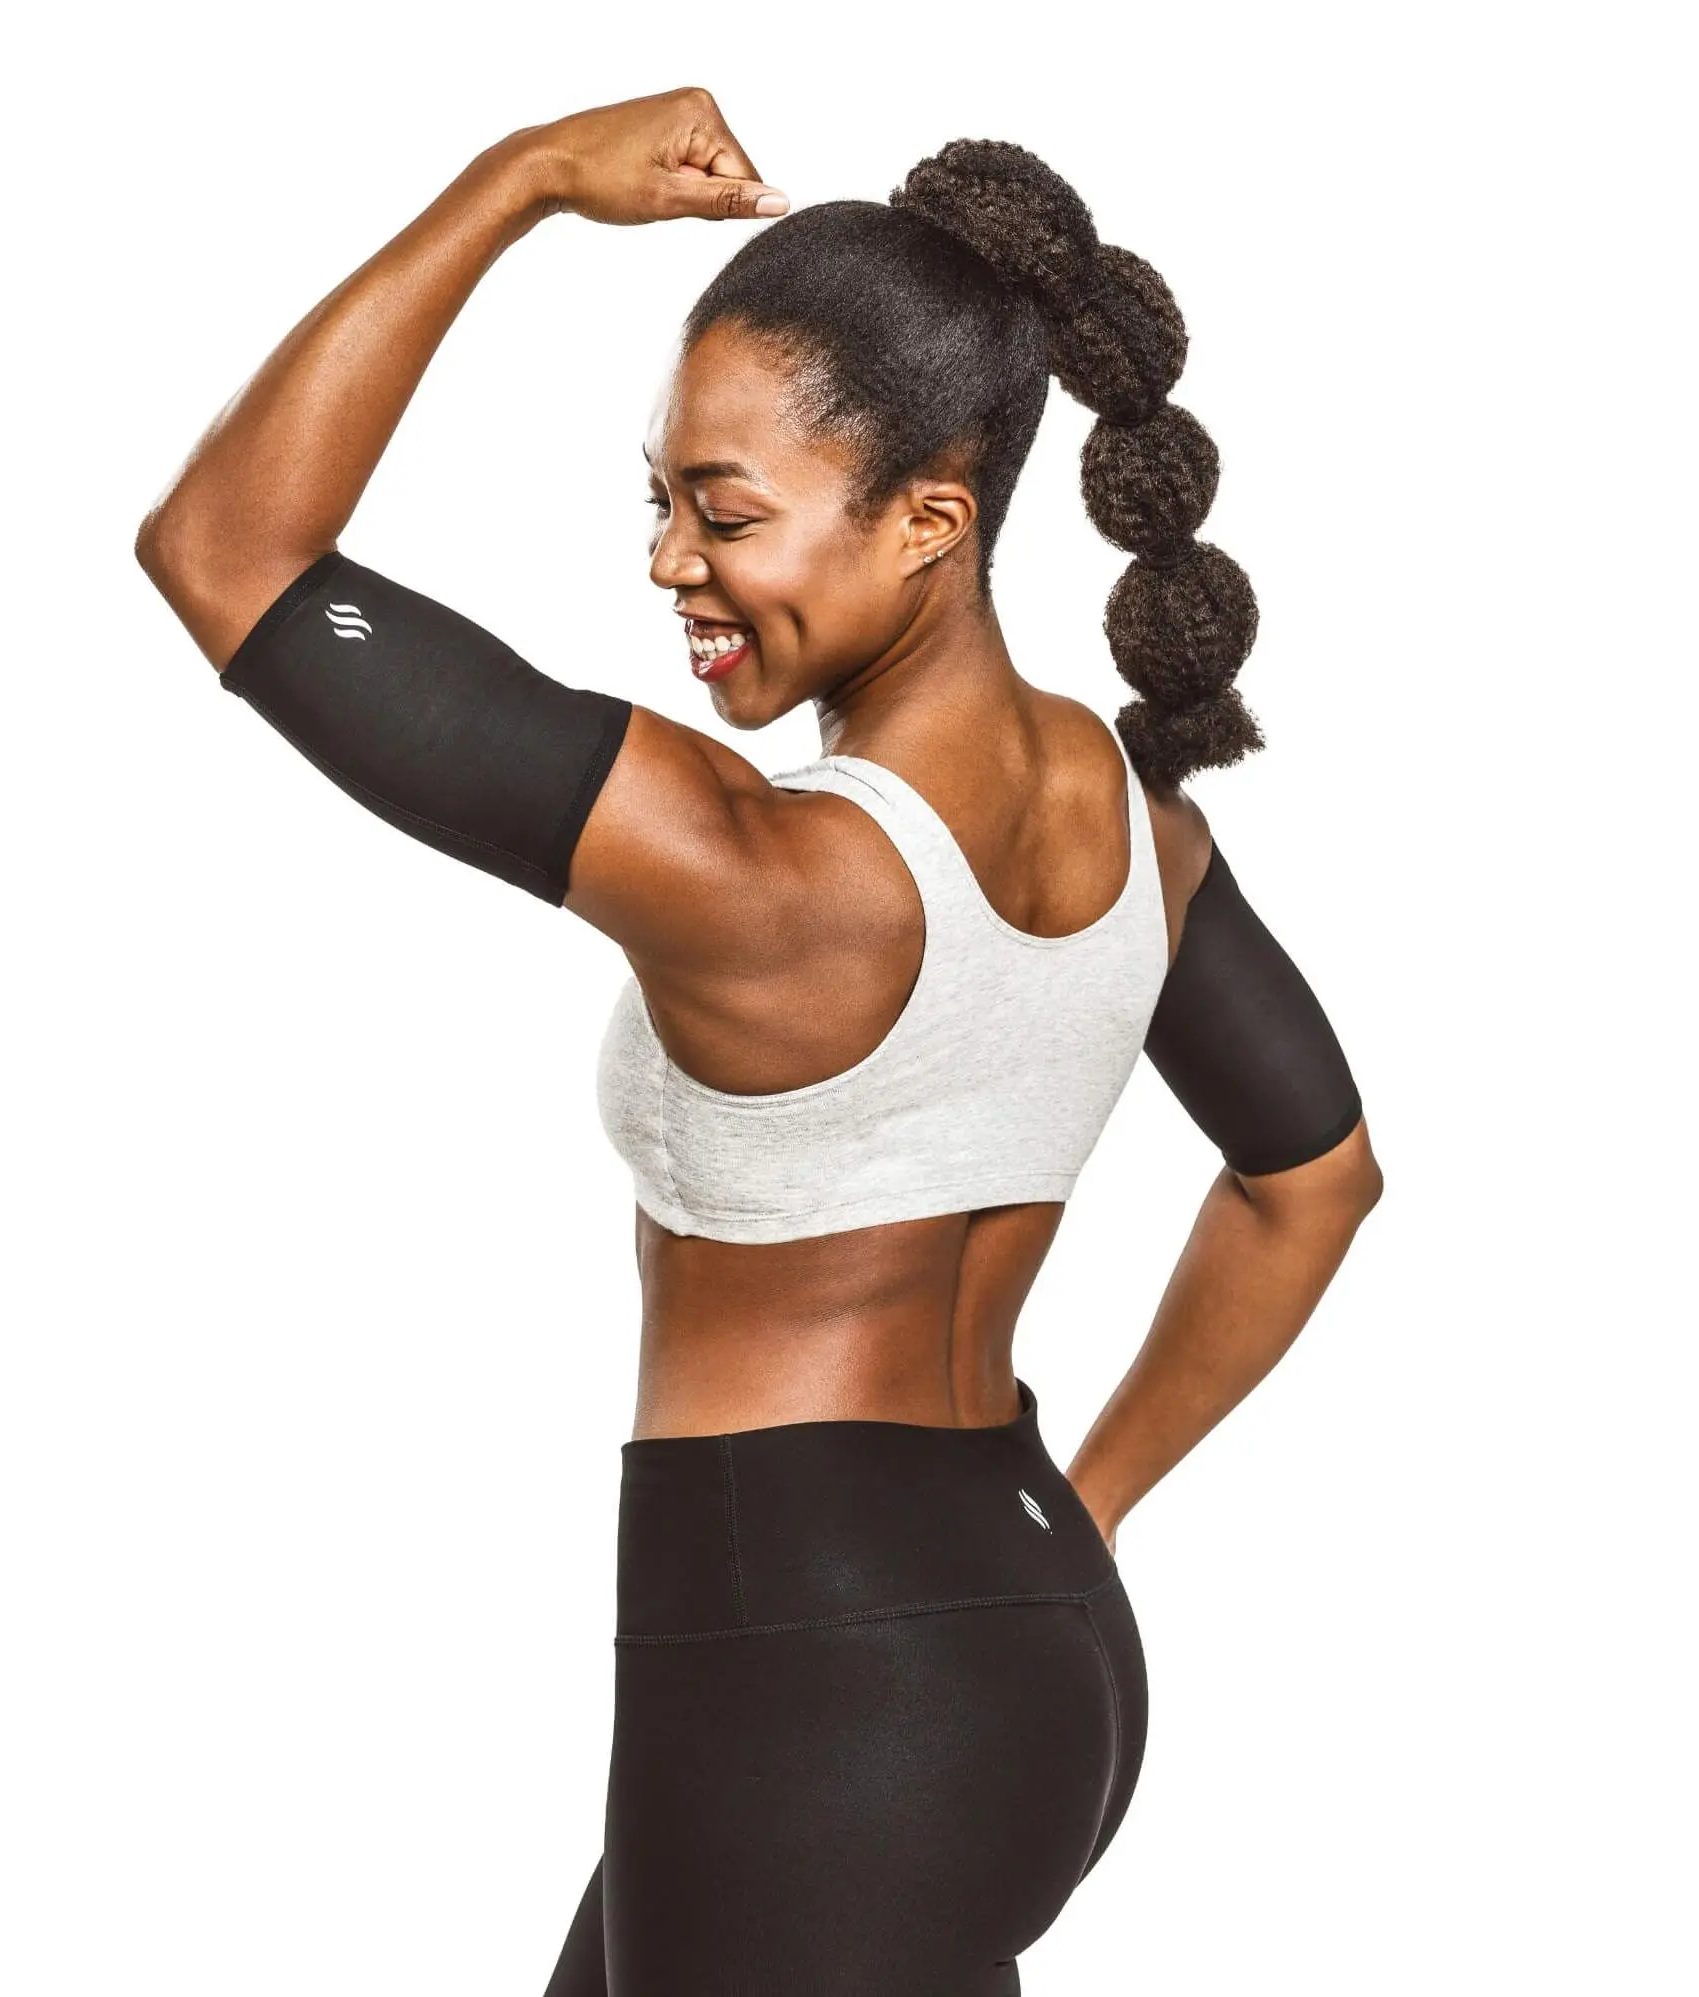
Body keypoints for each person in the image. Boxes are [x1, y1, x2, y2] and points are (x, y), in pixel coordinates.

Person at [136, 87, 1384, 1997]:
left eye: (726, 513)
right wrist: (1093, 1503)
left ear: (932, 520)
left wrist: (518, 180)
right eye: (655, 502)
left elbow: (228, 552)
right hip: (1019, 1643)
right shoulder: (1142, 831)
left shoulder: (754, 870)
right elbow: (1316, 1180)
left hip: (807, 1684)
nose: (669, 562)